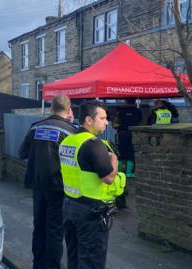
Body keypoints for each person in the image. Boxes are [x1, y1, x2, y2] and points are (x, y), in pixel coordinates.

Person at [59, 101, 126, 269]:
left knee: (74, 255)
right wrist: (114, 160)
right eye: (102, 118)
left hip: (69, 206)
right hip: (91, 212)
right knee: (91, 261)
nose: (106, 122)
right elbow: (109, 178)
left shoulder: (68, 141)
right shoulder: (94, 144)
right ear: (89, 120)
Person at [18, 94, 77, 269]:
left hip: (37, 186)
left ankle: (38, 264)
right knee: (55, 230)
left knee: (39, 226)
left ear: (51, 108)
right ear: (69, 110)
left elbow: (22, 153)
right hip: (59, 188)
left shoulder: (35, 128)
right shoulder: (70, 132)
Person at [114, 98, 142, 177]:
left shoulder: (121, 111)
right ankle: (129, 172)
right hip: (134, 133)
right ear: (134, 102)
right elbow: (140, 121)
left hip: (122, 133)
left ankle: (119, 172)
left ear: (126, 101)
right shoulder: (137, 111)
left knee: (121, 152)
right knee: (131, 153)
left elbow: (116, 122)